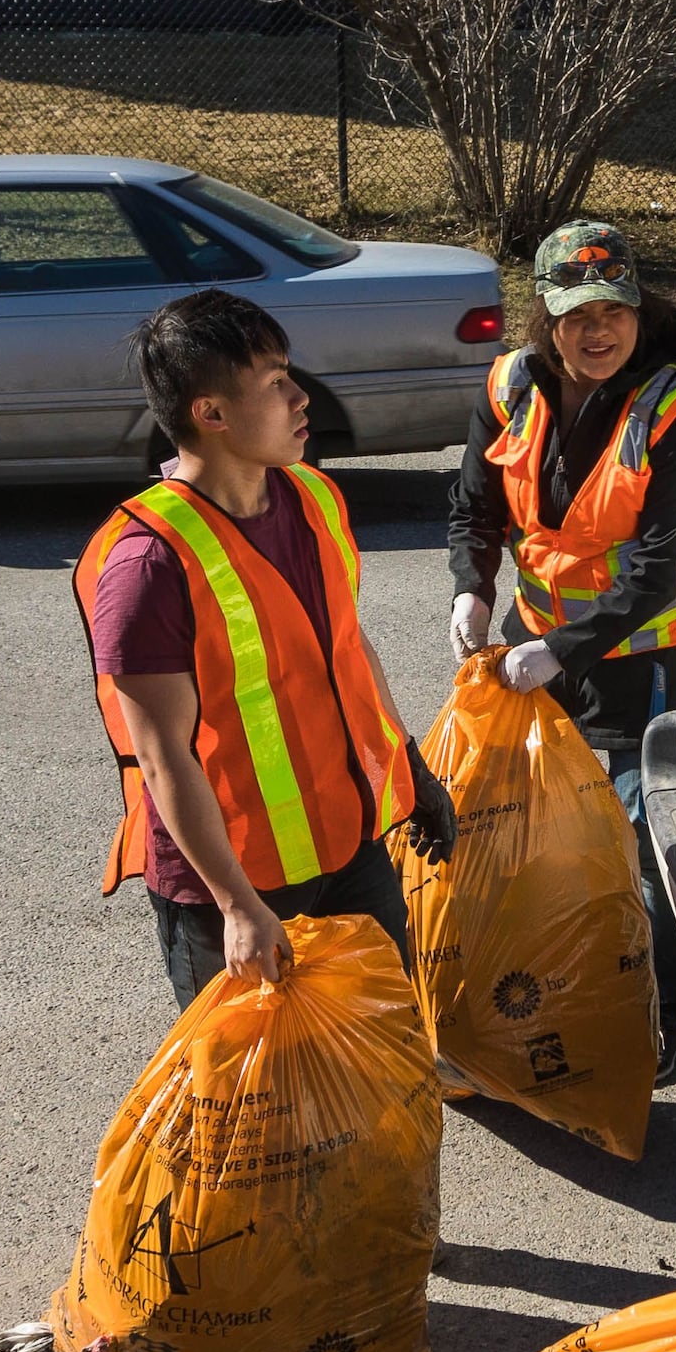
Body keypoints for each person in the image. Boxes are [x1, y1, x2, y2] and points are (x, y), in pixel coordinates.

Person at [77, 285, 457, 1006]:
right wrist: (236, 905)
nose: (301, 396)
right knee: (258, 1108)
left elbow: (348, 652)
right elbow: (164, 758)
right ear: (211, 413)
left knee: (382, 1059)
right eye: (275, 382)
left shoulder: (314, 497)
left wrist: (410, 769)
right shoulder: (148, 563)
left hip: (349, 852)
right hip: (234, 887)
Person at [444, 219, 676, 1072]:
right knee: (534, 836)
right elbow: (475, 504)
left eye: (614, 308)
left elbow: (659, 562)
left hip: (634, 670)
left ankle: (663, 1018)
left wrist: (561, 648)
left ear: (640, 309)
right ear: (546, 315)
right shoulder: (509, 386)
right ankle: (561, 993)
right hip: (532, 658)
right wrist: (472, 582)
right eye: (577, 313)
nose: (598, 330)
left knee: (646, 850)